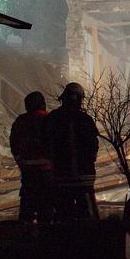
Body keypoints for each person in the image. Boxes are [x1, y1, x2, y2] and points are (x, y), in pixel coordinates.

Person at [43, 82, 100, 220]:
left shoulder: (53, 118)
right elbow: (94, 145)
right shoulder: (85, 120)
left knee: (63, 216)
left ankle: (66, 240)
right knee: (88, 216)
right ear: (80, 99)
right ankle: (92, 240)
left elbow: (46, 144)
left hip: (61, 176)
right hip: (83, 177)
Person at [9, 91, 53, 223]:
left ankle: (25, 237)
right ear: (43, 104)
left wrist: (20, 161)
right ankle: (46, 239)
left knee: (27, 208)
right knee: (46, 210)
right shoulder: (50, 120)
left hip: (28, 172)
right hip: (48, 171)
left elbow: (14, 144)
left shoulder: (20, 121)